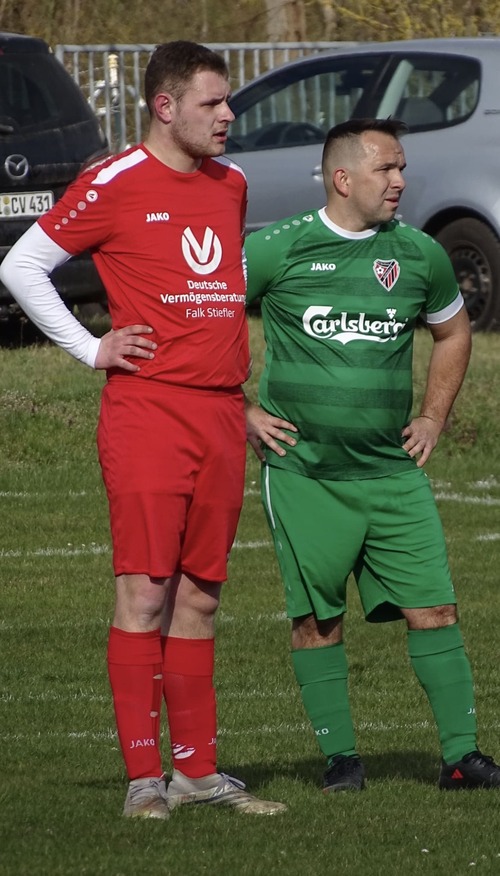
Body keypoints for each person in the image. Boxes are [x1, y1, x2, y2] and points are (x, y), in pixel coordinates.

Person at [0, 40, 286, 819]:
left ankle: (197, 773)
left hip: (222, 414)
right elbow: (21, 266)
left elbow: (214, 291)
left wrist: (243, 394)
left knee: (200, 600)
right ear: (165, 107)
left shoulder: (232, 184)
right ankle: (143, 782)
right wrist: (91, 347)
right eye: (211, 103)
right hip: (149, 413)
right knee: (145, 594)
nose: (228, 116)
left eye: (227, 102)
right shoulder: (114, 181)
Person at [244, 117, 500, 792]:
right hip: (306, 474)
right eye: (387, 169)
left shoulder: (419, 254)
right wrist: (238, 410)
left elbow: (453, 331)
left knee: (435, 608)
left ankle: (461, 756)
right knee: (316, 618)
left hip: (391, 472)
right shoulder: (278, 249)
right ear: (342, 178)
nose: (400, 181)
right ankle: (342, 762)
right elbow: (201, 323)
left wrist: (433, 417)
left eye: (400, 167)